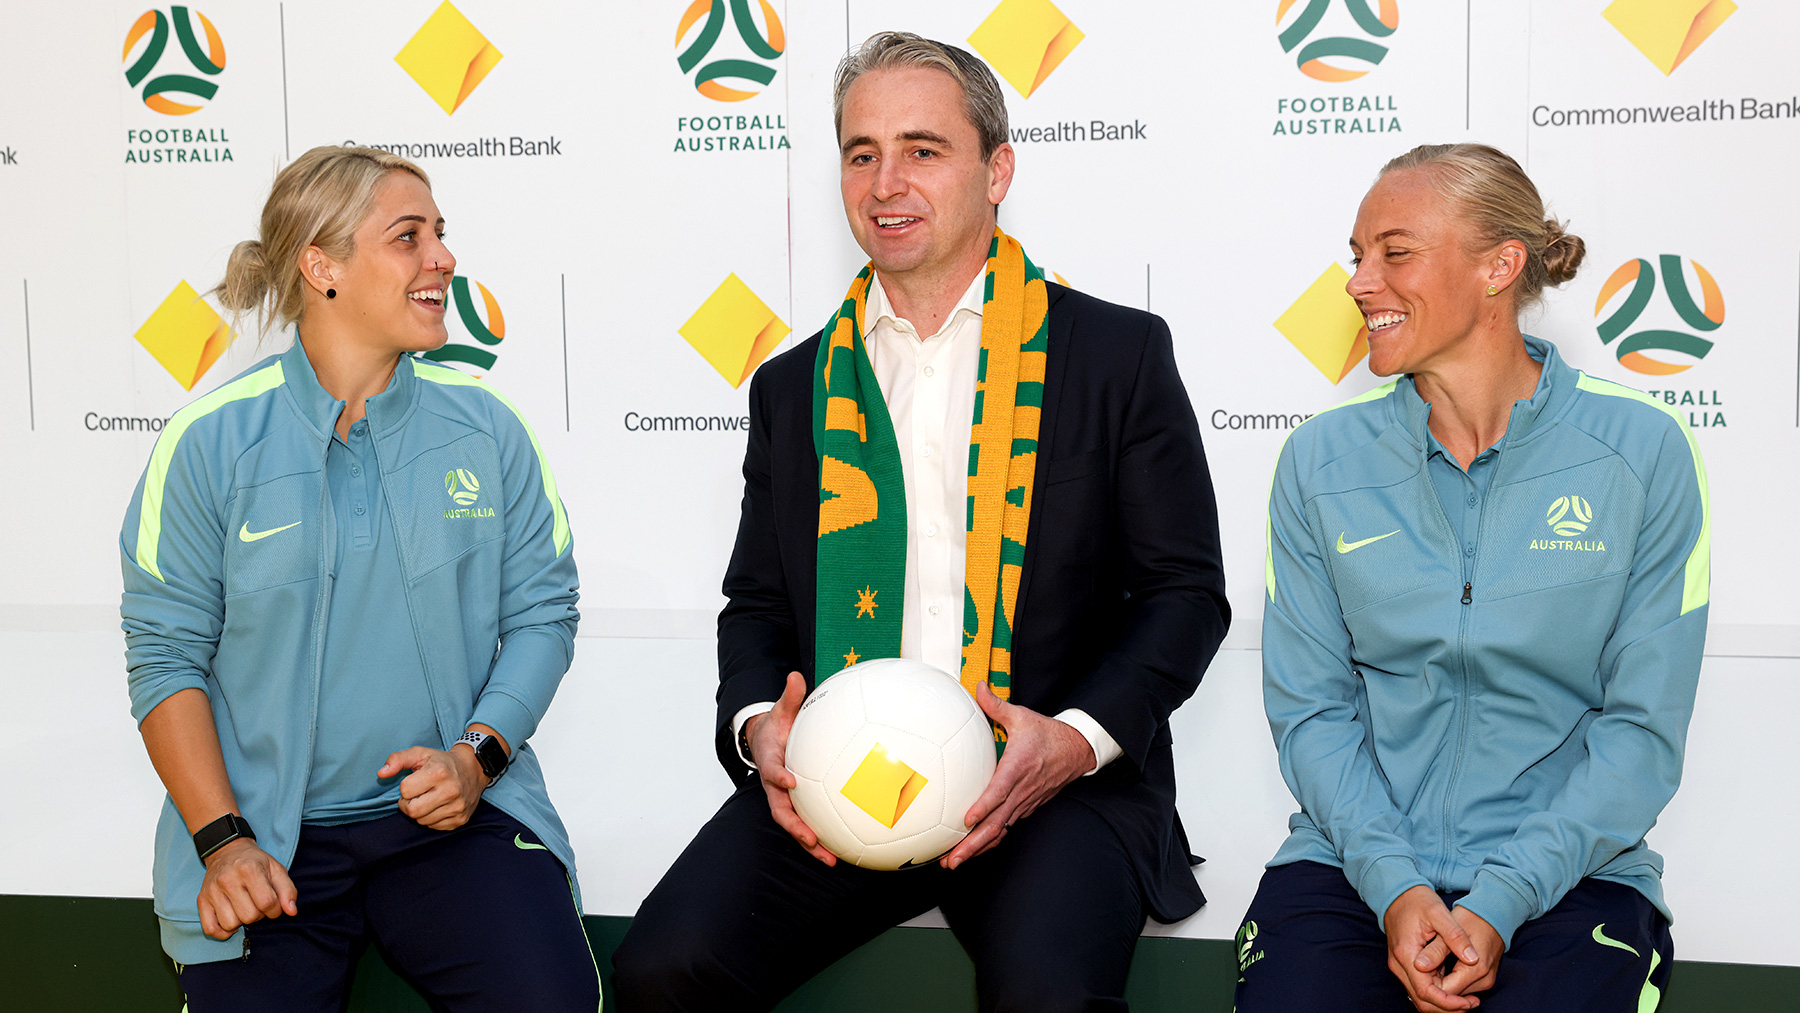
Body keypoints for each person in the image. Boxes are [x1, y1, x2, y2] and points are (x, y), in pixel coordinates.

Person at [612, 32, 1229, 1012]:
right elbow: (758, 604)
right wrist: (757, 729)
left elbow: (1184, 594)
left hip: (1051, 784)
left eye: (922, 149)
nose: (885, 181)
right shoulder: (793, 388)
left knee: (1047, 997)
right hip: (839, 774)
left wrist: (1071, 740)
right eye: (862, 153)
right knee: (660, 967)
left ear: (997, 170)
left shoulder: (1116, 354)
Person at [119, 146, 598, 1012]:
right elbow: (165, 659)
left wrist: (476, 759)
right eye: (408, 237)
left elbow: (543, 612)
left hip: (453, 819)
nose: (442, 258)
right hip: (265, 843)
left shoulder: (488, 429)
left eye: (440, 234)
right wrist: (224, 842)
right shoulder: (207, 442)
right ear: (321, 265)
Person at [1237, 143, 1709, 1012]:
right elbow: (1310, 711)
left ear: (1500, 266)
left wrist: (1500, 898)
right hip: (1352, 872)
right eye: (1357, 255)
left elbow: (1642, 731)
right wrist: (1397, 888)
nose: (1360, 281)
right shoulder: (1319, 461)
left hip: (1575, 881)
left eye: (1395, 251)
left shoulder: (1641, 452)